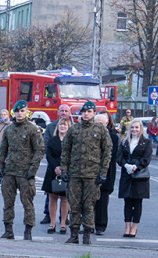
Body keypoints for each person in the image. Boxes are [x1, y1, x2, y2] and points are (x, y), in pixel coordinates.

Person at [59, 100, 112, 245]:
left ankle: (87, 235)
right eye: (84, 111)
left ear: (94, 113)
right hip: (75, 174)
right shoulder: (74, 129)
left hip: (92, 175)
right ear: (80, 113)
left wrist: (103, 172)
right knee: (74, 205)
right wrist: (64, 169)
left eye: (89, 112)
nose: (86, 114)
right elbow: (65, 150)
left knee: (88, 206)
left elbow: (107, 152)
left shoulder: (100, 130)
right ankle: (74, 234)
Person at [0, 100, 45, 240]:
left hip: (25, 172)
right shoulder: (9, 129)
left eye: (22, 111)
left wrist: (33, 170)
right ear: (14, 112)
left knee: (27, 203)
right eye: (17, 111)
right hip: (9, 171)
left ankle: (28, 232)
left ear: (27, 112)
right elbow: (3, 149)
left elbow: (39, 150)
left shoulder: (32, 129)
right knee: (8, 203)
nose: (19, 113)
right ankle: (8, 230)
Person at [118, 119, 153, 238]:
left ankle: (134, 228)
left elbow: (147, 158)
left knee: (137, 202)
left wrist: (136, 167)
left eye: (137, 127)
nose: (134, 130)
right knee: (127, 202)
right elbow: (119, 157)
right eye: (132, 127)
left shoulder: (146, 142)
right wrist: (126, 165)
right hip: (126, 175)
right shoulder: (124, 142)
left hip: (139, 176)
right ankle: (127, 227)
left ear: (141, 129)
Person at [42, 104, 72, 225]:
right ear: (58, 112)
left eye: (66, 111)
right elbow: (47, 147)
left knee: (65, 197)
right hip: (53, 168)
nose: (64, 112)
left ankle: (65, 219)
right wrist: (56, 167)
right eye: (62, 110)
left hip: (67, 170)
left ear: (69, 113)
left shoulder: (74, 128)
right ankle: (48, 215)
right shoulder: (50, 127)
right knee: (51, 195)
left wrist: (64, 168)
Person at [93, 111, 121, 235]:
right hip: (89, 173)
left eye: (101, 123)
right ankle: (88, 224)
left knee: (102, 202)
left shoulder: (114, 138)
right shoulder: (89, 136)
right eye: (97, 123)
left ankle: (100, 226)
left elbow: (111, 157)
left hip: (106, 173)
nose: (99, 125)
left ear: (106, 123)